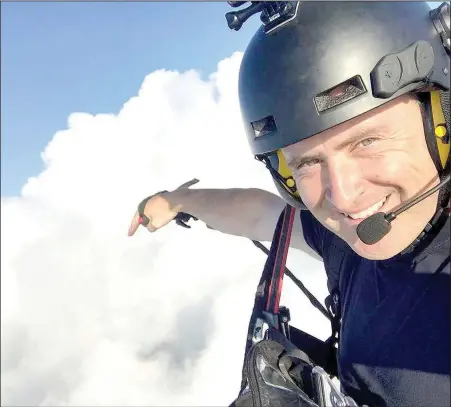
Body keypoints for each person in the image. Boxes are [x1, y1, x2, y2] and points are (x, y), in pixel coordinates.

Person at [128, 2, 450, 406]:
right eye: (308, 163)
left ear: (442, 119)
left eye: (367, 141)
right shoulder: (349, 240)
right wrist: (176, 200)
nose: (344, 196)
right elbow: (260, 213)